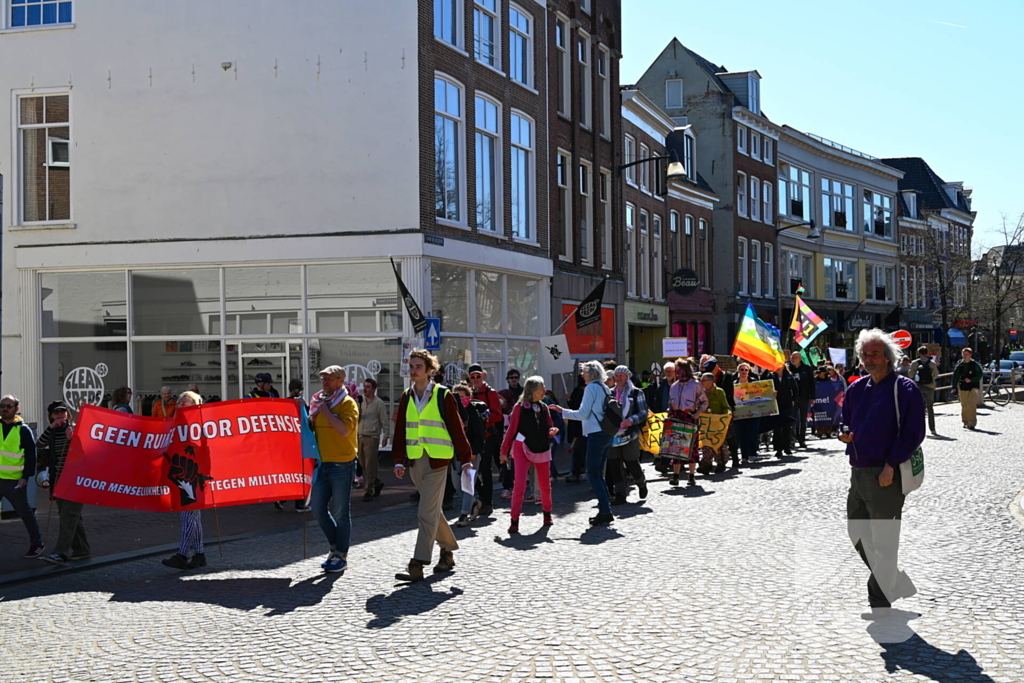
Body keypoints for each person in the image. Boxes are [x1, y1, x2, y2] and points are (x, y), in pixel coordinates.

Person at [839, 328, 925, 612]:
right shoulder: (856, 388)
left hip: (888, 472)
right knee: (857, 532)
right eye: (865, 354)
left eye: (875, 354)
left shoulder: (905, 388)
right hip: (859, 471)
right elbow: (846, 420)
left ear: (888, 358)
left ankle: (879, 599)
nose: (869, 359)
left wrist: (890, 465)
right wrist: (844, 433)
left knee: (884, 539)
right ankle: (896, 582)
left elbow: (913, 433)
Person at [392, 350, 472, 581]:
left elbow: (456, 428)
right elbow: (400, 431)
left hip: (438, 459)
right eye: (411, 366)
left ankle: (418, 562)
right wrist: (399, 459)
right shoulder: (407, 396)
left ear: (429, 370)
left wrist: (465, 458)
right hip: (416, 459)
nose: (413, 370)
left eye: (418, 366)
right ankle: (447, 551)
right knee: (432, 510)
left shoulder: (442, 395)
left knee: (425, 511)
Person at [307, 365, 360, 573]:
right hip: (321, 464)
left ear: (340, 381)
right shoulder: (317, 402)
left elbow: (344, 430)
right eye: (323, 378)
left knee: (340, 513)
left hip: (342, 464)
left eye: (330, 378)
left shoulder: (348, 404)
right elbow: (313, 429)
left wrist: (326, 412)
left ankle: (341, 555)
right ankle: (334, 547)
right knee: (317, 510)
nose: (325, 382)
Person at [551, 361, 614, 526]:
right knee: (599, 473)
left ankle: (605, 511)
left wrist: (562, 411)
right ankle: (605, 508)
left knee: (593, 473)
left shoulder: (591, 388)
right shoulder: (603, 387)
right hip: (606, 432)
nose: (582, 375)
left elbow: (582, 414)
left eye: (584, 372)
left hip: (596, 433)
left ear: (590, 374)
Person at [500, 376, 558, 534]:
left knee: (545, 485)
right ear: (532, 390)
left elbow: (549, 426)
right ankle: (514, 520)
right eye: (542, 388)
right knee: (519, 485)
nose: (544, 391)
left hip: (541, 447)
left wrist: (552, 432)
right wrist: (503, 451)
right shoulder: (519, 408)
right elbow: (511, 430)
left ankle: (547, 514)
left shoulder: (544, 407)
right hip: (521, 447)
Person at [37, 401, 90, 565]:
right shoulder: (52, 432)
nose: (60, 415)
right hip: (58, 479)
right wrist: (51, 428)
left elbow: (87, 452)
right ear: (50, 416)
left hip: (76, 478)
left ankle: (60, 553)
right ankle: (82, 549)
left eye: (63, 411)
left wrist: (73, 439)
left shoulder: (76, 428)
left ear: (68, 414)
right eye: (56, 412)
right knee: (70, 515)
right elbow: (39, 445)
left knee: (69, 515)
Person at [161, 391, 208, 569]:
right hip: (181, 473)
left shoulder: (199, 424)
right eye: (179, 403)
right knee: (191, 516)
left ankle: (182, 554)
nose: (179, 405)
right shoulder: (174, 423)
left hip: (194, 474)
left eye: (184, 403)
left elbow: (204, 449)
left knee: (189, 514)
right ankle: (199, 554)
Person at [0, 395, 44, 558]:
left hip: (14, 481)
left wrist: (25, 477)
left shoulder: (23, 430)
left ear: (16, 409)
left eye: (9, 406)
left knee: (24, 513)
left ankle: (37, 544)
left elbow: (31, 456)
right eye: (3, 405)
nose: (5, 408)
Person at [661, 359, 708, 487]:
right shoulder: (674, 386)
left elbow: (704, 402)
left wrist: (697, 414)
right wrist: (669, 412)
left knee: (691, 447)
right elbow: (670, 403)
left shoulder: (695, 384)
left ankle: (691, 476)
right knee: (675, 446)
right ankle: (675, 476)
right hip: (676, 417)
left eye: (679, 369)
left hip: (690, 418)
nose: (678, 372)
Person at [605, 366, 649, 504]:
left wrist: (630, 420)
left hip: (630, 434)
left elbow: (643, 412)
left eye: (621, 376)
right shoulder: (609, 393)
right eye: (616, 376)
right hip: (613, 435)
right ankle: (620, 494)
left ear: (627, 377)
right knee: (614, 465)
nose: (618, 378)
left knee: (631, 462)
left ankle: (641, 482)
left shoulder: (636, 393)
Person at [468, 364, 503, 516]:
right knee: (470, 469)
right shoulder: (468, 392)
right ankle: (479, 497)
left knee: (486, 470)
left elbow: (498, 415)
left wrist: (484, 418)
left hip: (487, 437)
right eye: (472, 377)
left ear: (483, 375)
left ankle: (487, 502)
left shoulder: (491, 393)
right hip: (472, 436)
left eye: (478, 376)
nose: (476, 379)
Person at [452, 383, 486, 527]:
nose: (459, 401)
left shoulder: (474, 413)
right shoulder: (451, 414)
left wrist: (473, 452)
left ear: (468, 398)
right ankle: (474, 503)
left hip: (471, 455)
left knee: (467, 485)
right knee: (456, 485)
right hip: (455, 454)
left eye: (462, 397)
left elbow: (480, 436)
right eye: (456, 397)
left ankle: (464, 515)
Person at [357, 378, 390, 503]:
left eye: (368, 387)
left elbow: (384, 421)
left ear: (374, 389)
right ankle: (378, 482)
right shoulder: (360, 402)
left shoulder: (379, 403)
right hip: (360, 435)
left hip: (372, 436)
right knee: (363, 463)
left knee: (370, 464)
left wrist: (385, 436)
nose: (365, 389)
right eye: (364, 386)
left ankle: (368, 490)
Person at [697, 373, 732, 475]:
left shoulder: (720, 392)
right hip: (705, 424)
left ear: (711, 382)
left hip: (717, 424)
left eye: (704, 380)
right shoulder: (699, 393)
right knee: (706, 446)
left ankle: (721, 463)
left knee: (719, 446)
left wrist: (727, 415)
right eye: (701, 380)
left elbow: (726, 407)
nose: (701, 382)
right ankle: (705, 465)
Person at [733, 363, 761, 466]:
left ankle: (753, 454)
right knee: (742, 435)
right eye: (742, 369)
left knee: (753, 433)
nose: (744, 371)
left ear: (749, 371)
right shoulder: (734, 383)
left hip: (754, 412)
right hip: (740, 413)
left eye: (746, 369)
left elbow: (761, 393)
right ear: (738, 371)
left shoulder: (755, 382)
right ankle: (744, 456)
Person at [768, 365, 797, 459]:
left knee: (786, 426)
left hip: (787, 403)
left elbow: (795, 388)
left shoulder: (789, 376)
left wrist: (793, 399)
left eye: (780, 366)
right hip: (775, 403)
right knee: (777, 427)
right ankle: (778, 448)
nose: (778, 368)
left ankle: (787, 447)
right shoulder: (771, 376)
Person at [951, 347, 984, 430]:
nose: (965, 356)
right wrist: (954, 387)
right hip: (963, 386)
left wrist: (971, 380)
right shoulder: (960, 365)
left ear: (970, 355)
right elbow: (955, 376)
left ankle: (972, 423)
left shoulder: (975, 365)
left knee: (972, 404)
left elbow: (979, 375)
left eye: (966, 354)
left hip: (973, 386)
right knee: (964, 405)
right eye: (964, 354)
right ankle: (965, 422)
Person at [787, 352, 814, 448]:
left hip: (804, 396)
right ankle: (792, 440)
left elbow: (812, 383)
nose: (793, 359)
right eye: (792, 357)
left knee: (803, 420)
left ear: (800, 358)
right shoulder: (788, 368)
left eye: (795, 357)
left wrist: (812, 397)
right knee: (792, 420)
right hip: (792, 398)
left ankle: (802, 439)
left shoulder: (807, 368)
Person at [909, 346, 937, 435]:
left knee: (918, 408)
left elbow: (910, 375)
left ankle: (919, 428)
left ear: (919, 353)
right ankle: (932, 428)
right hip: (930, 387)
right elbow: (935, 375)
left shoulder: (915, 363)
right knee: (930, 408)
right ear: (927, 353)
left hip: (918, 386)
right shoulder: (932, 363)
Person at [565, 373, 587, 483]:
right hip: (579, 426)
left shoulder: (587, 392)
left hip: (583, 426)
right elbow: (574, 407)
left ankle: (577, 471)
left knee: (579, 450)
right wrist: (569, 401)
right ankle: (577, 471)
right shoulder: (579, 391)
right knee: (578, 450)